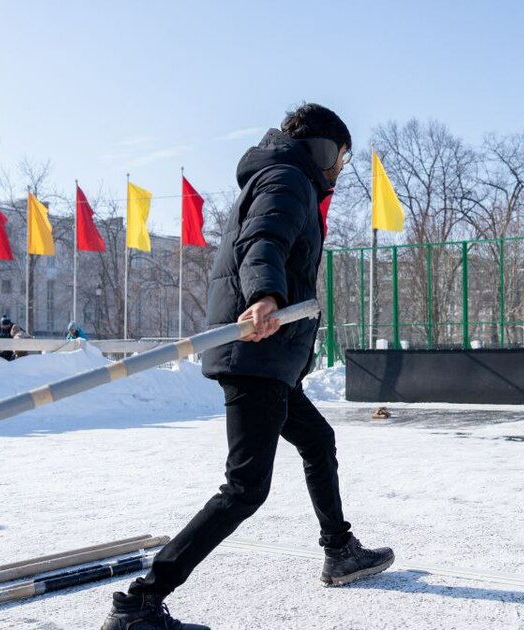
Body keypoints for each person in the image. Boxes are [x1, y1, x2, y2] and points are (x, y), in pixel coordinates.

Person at [101, 104, 393, 630]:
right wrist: (265, 296)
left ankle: (339, 548)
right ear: (323, 150)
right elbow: (262, 242)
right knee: (245, 489)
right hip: (257, 352)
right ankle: (141, 602)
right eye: (341, 157)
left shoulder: (284, 177)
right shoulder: (287, 179)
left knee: (316, 439)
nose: (341, 170)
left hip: (270, 359)